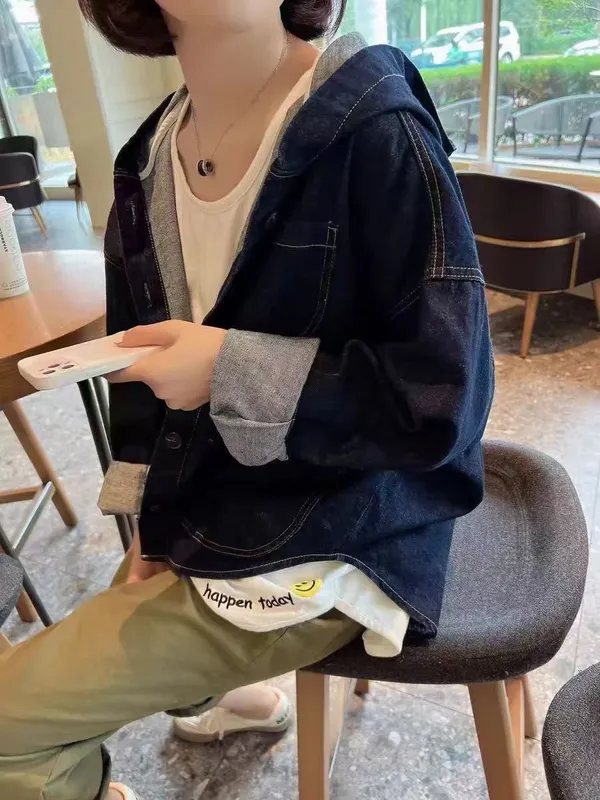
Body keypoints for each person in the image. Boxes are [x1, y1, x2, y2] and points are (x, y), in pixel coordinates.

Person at [0, 0, 494, 797]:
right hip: (217, 507)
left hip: (341, 533)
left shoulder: (377, 131)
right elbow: (143, 387)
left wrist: (229, 368)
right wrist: (150, 518)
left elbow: (444, 400)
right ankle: (223, 700)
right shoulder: (148, 160)